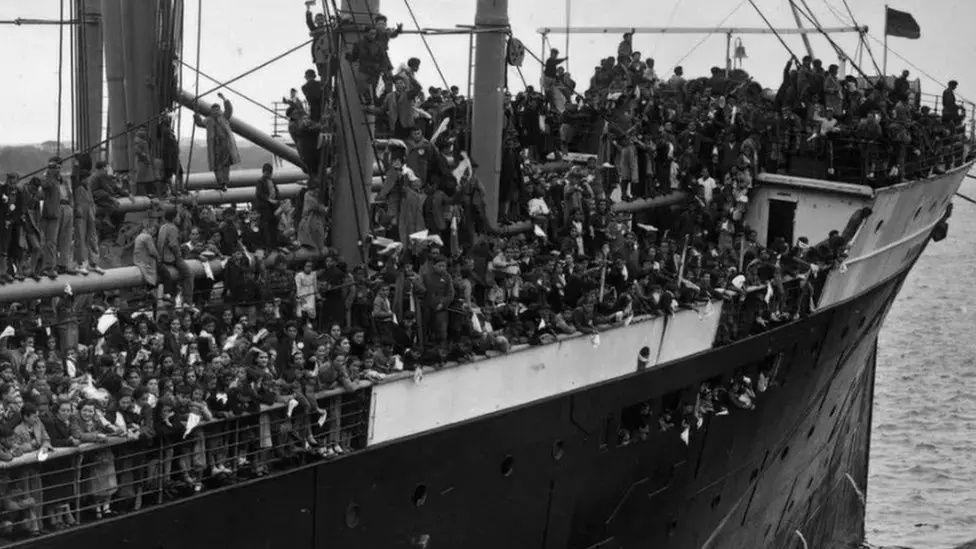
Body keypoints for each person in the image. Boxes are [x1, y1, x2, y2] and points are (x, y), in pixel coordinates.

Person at [37, 158, 76, 277]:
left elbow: (69, 194)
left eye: (60, 167)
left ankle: (63, 264)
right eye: (56, 167)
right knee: (52, 240)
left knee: (66, 239)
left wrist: (71, 206)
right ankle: (49, 267)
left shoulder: (63, 180)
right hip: (55, 210)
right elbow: (41, 194)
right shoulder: (47, 179)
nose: (58, 170)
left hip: (67, 209)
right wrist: (51, 176)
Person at [192, 93, 240, 191]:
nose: (215, 111)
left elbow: (200, 122)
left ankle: (222, 183)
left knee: (219, 165)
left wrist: (196, 110)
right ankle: (223, 183)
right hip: (221, 145)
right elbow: (229, 110)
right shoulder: (220, 117)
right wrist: (224, 99)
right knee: (223, 165)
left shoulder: (214, 119)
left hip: (219, 146)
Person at [157, 210, 194, 304]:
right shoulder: (173, 228)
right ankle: (188, 301)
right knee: (189, 274)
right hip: (171, 259)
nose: (179, 218)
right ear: (173, 218)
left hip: (162, 258)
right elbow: (173, 245)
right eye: (177, 216)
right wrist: (179, 256)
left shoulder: (163, 227)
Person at [75, 164, 104, 275]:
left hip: (90, 214)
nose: (89, 180)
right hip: (81, 216)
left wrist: (93, 211)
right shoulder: (78, 188)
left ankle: (94, 263)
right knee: (80, 239)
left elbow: (91, 202)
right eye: (88, 178)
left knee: (93, 238)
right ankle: (80, 264)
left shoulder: (88, 189)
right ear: (84, 178)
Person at [255, 163, 280, 249]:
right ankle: (268, 245)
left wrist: (277, 200)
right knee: (267, 227)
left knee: (274, 225)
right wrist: (269, 200)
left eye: (269, 172)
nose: (268, 174)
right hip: (265, 207)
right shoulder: (260, 181)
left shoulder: (272, 181)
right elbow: (259, 194)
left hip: (273, 207)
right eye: (266, 172)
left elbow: (276, 192)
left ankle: (274, 244)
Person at [133, 219, 159, 292]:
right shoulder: (147, 237)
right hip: (144, 261)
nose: (154, 233)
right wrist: (159, 257)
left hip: (137, 260)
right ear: (149, 228)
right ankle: (153, 288)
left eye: (155, 231)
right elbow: (153, 251)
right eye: (153, 230)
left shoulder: (139, 235)